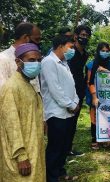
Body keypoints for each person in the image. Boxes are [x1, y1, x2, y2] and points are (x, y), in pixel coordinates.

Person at [0, 43, 45, 182]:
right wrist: (21, 157)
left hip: (33, 148)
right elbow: (11, 125)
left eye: (38, 60)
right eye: (31, 60)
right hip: (21, 156)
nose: (36, 64)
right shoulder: (11, 88)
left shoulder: (27, 84)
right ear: (18, 62)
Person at [41, 35, 80, 181]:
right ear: (60, 46)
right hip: (56, 112)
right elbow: (55, 89)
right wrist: (70, 105)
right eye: (70, 47)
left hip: (68, 111)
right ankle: (51, 177)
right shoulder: (48, 62)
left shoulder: (64, 62)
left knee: (64, 146)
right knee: (55, 147)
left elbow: (71, 85)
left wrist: (75, 102)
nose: (72, 50)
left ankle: (61, 172)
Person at [67, 24, 91, 157]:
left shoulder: (85, 54)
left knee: (74, 120)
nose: (85, 37)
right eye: (82, 35)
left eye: (87, 36)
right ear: (75, 36)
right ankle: (63, 148)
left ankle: (69, 147)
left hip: (79, 88)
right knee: (67, 119)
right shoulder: (70, 50)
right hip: (68, 87)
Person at [87, 42, 110, 149]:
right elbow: (89, 82)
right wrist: (94, 97)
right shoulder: (91, 64)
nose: (104, 53)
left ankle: (105, 138)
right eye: (102, 51)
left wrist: (106, 71)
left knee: (107, 117)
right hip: (94, 95)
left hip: (109, 96)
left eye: (107, 51)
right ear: (98, 51)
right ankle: (95, 139)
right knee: (94, 117)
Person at [0, 22, 41, 91]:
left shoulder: (34, 57)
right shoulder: (3, 58)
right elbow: (2, 92)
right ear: (25, 37)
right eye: (37, 39)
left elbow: (35, 87)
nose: (39, 43)